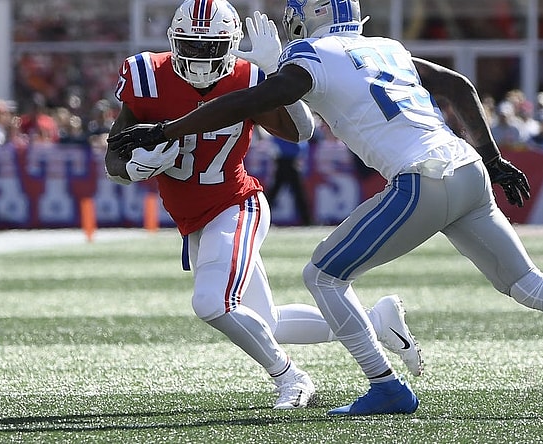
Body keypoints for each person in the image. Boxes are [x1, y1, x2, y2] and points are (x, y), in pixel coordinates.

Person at [108, 0, 543, 417]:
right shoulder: (387, 46)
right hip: (463, 167)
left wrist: (170, 125)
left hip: (419, 178)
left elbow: (251, 104)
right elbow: (458, 85)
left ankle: (384, 383)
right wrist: (490, 157)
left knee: (322, 275)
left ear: (305, 16)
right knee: (529, 282)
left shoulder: (311, 55)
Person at [104, 0, 422, 410]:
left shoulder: (246, 76)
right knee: (264, 321)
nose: (201, 58)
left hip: (235, 205)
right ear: (173, 41)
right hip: (194, 219)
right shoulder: (148, 75)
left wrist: (276, 75)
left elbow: (301, 131)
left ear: (231, 44)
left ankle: (290, 377)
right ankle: (378, 323)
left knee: (212, 303)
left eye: (211, 47)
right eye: (191, 46)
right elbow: (115, 153)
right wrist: (130, 168)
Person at [265, 134, 313, 225]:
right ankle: (306, 220)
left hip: (287, 162)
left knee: (277, 192)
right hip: (288, 163)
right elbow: (301, 146)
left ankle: (306, 220)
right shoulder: (291, 132)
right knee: (296, 193)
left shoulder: (280, 131)